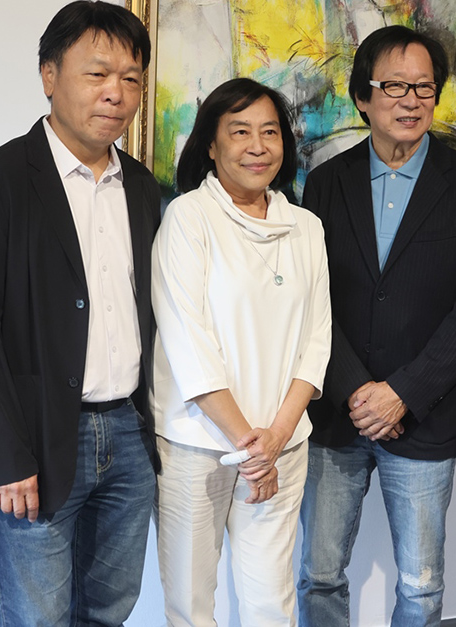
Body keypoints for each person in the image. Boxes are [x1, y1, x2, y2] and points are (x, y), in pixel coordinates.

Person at [0, 0, 161, 626]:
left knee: (109, 610)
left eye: (131, 78)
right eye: (97, 74)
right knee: (37, 617)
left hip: (129, 435)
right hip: (36, 438)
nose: (116, 93)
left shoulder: (142, 186)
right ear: (48, 75)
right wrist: (5, 455)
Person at [297, 24, 456, 627]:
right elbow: (311, 298)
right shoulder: (327, 182)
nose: (411, 100)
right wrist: (357, 389)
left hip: (425, 414)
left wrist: (403, 393)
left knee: (421, 584)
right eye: (394, 86)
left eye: (424, 87)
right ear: (363, 97)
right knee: (320, 573)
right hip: (337, 414)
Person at [152, 78, 331, 626]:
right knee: (190, 604)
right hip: (196, 444)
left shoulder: (306, 227)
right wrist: (250, 445)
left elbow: (317, 339)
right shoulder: (188, 217)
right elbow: (188, 343)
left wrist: (274, 439)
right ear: (210, 144)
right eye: (240, 132)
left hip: (283, 445)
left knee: (270, 602)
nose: (258, 146)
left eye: (269, 132)